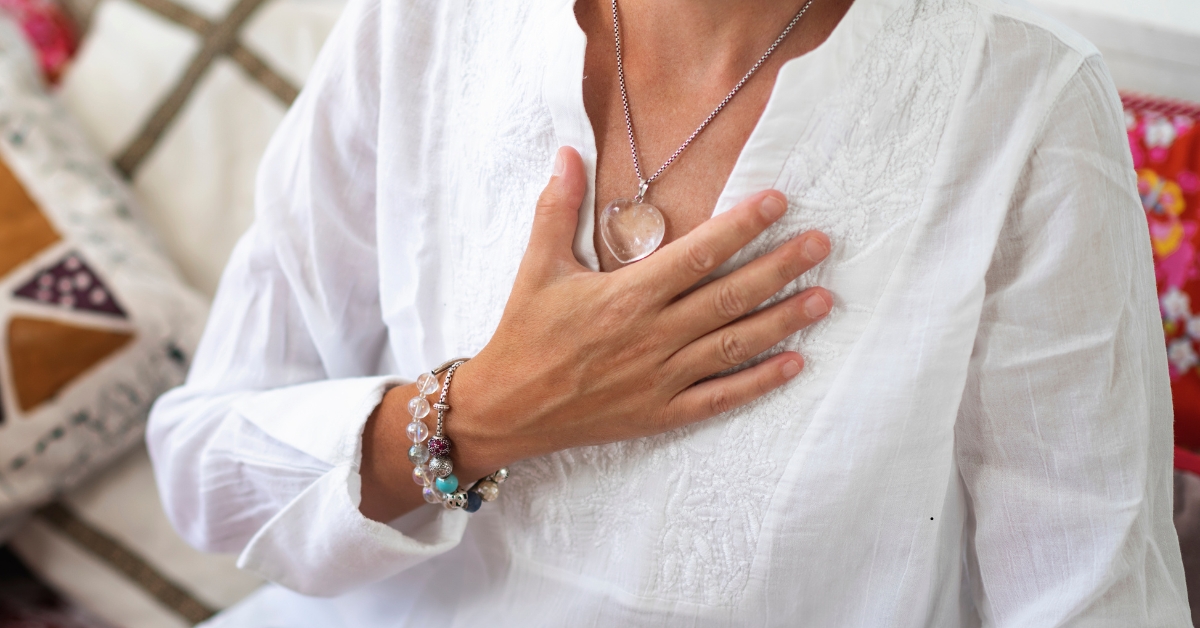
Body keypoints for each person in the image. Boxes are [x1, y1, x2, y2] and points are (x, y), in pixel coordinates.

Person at [147, 0, 1192, 624]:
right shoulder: (422, 24)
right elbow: (206, 468)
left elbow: (1087, 597)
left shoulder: (1021, 109)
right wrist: (482, 412)